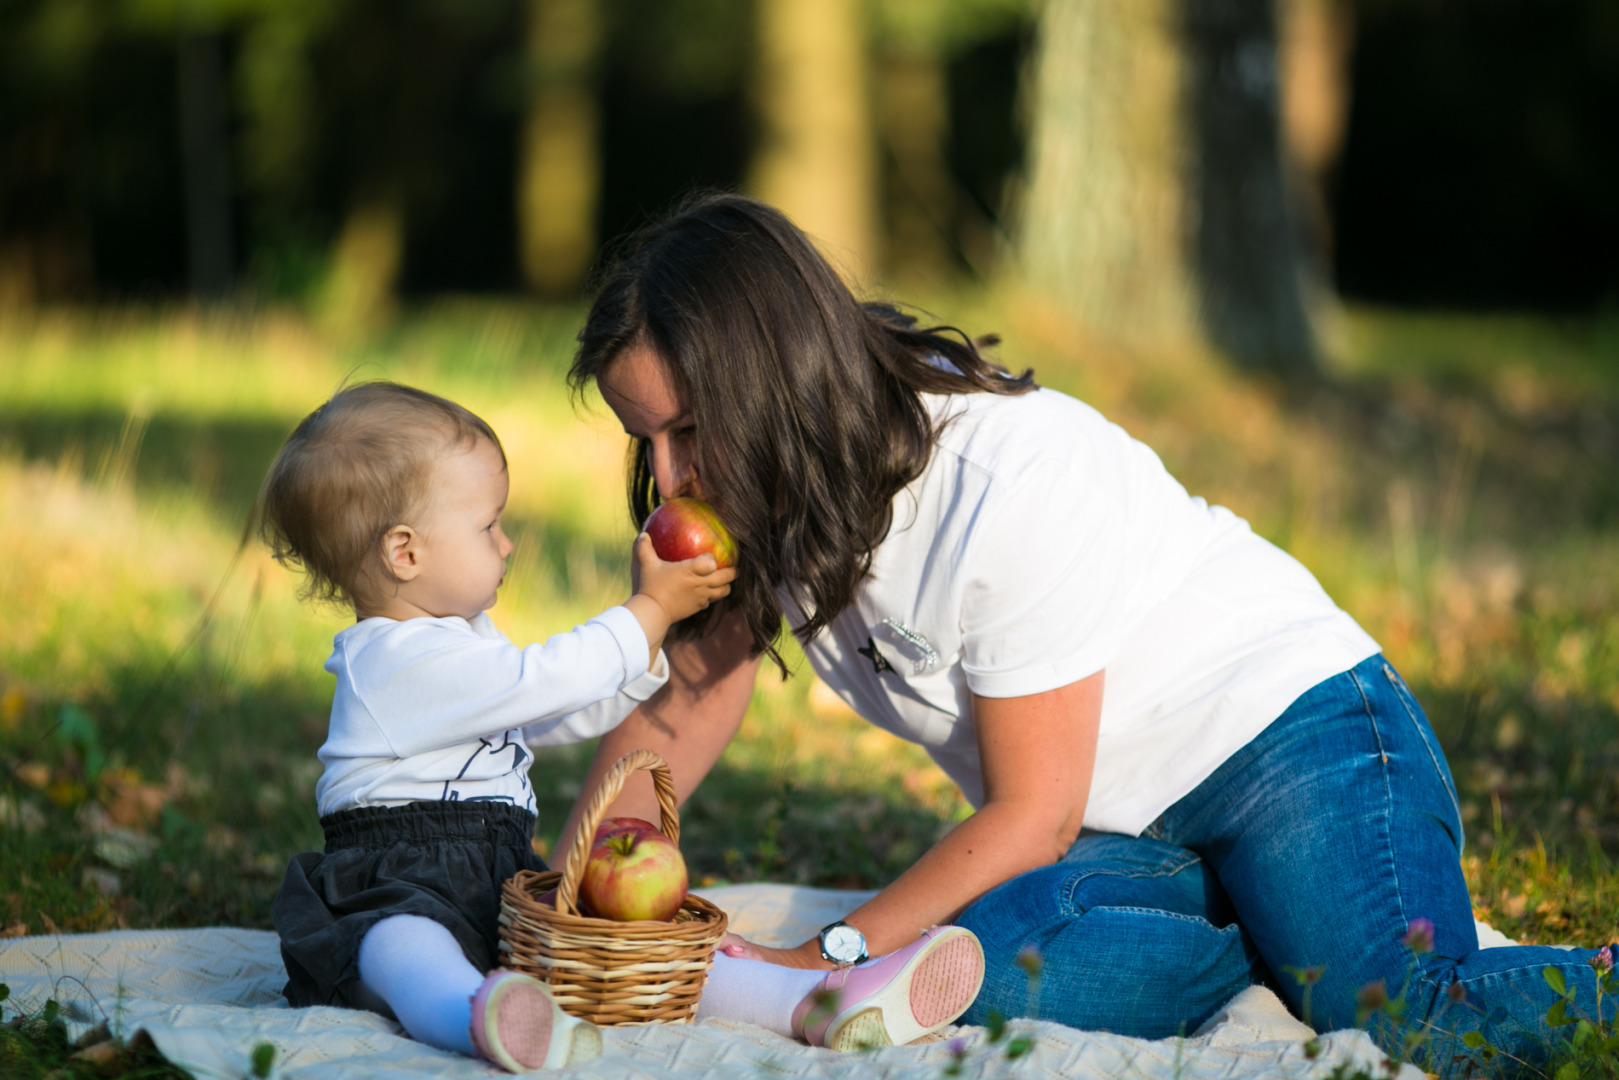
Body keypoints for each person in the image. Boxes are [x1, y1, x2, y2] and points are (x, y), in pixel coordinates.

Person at [554, 192, 1615, 1074]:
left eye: (688, 429)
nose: (672, 477)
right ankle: (1273, 934)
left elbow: (1031, 814)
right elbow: (684, 708)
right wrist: (565, 902)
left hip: (1291, 740)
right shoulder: (763, 496)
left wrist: (825, 958)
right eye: (644, 438)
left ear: (773, 383)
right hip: (1130, 835)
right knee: (996, 956)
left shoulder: (1002, 480)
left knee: (1400, 1008)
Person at [258, 381, 735, 1070]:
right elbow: (544, 679)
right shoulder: (391, 663)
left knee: (598, 934)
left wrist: (645, 649)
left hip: (496, 870)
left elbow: (551, 710)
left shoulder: (457, 644)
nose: (507, 544)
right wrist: (646, 612)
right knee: (400, 947)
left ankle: (783, 995)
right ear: (405, 554)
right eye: (488, 527)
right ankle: (474, 1017)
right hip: (398, 875)